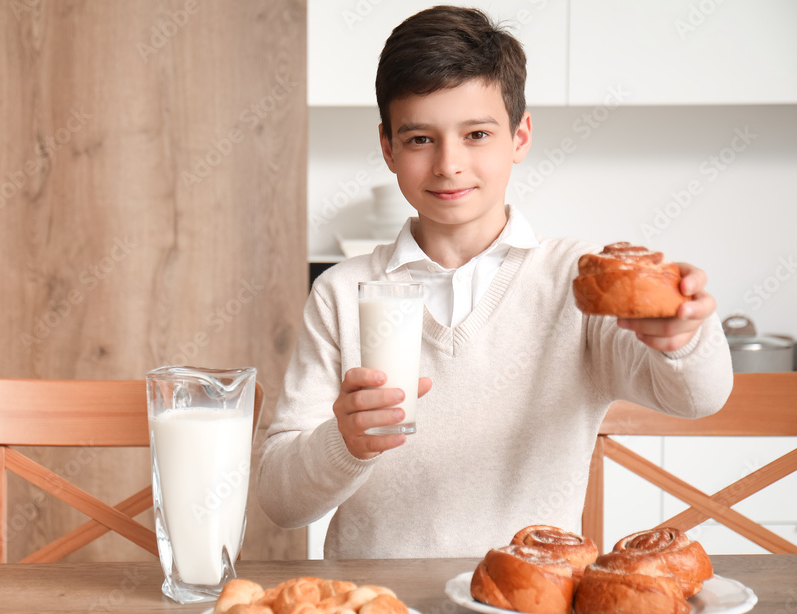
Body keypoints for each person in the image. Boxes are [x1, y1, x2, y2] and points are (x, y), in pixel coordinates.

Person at [257, 6, 733, 559]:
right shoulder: (342, 293)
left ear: (520, 136)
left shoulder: (575, 282)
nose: (449, 164)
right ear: (387, 147)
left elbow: (699, 398)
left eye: (477, 134)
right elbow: (280, 501)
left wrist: (681, 338)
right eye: (419, 140)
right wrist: (344, 444)